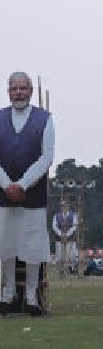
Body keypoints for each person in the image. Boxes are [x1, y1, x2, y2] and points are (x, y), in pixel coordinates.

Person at [0, 72, 55, 316]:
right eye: (14, 88)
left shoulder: (44, 119)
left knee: (32, 246)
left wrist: (22, 184)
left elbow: (46, 157)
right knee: (6, 244)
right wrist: (6, 185)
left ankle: (32, 296)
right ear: (8, 91)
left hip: (32, 196)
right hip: (3, 195)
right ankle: (8, 293)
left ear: (31, 91)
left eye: (23, 88)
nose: (19, 92)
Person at [52, 197, 79, 272]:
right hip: (59, 238)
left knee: (71, 254)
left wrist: (67, 234)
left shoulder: (73, 215)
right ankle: (61, 269)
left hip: (70, 238)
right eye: (62, 206)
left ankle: (71, 269)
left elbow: (74, 226)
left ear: (68, 207)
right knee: (59, 254)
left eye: (65, 206)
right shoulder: (56, 215)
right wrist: (61, 234)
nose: (64, 208)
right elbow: (54, 226)